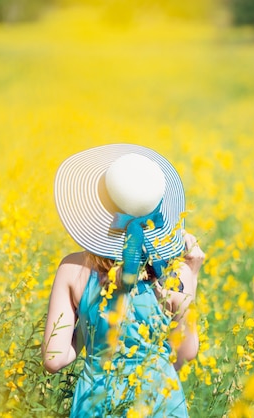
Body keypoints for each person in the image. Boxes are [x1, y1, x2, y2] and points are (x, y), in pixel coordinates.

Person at [43, 144, 205, 417]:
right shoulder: (175, 273)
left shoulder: (72, 269)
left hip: (97, 402)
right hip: (160, 403)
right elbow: (186, 352)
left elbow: (54, 359)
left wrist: (89, 330)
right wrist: (193, 274)